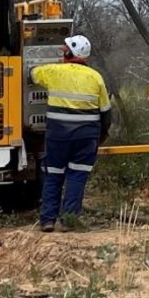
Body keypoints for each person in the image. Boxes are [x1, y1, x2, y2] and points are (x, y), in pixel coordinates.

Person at [31, 34, 112, 232]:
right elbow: (106, 113)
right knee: (77, 176)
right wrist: (101, 135)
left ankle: (48, 220)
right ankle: (68, 221)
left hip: (58, 135)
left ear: (68, 53)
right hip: (86, 137)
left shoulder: (53, 72)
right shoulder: (96, 77)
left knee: (54, 174)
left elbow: (32, 74)